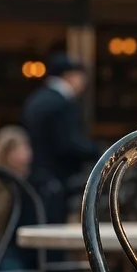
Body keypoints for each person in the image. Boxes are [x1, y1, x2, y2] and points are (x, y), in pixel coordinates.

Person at [22, 53, 99, 224]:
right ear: (70, 76)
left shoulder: (37, 98)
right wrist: (97, 151)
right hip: (56, 180)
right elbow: (68, 144)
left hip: (36, 177)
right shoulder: (63, 103)